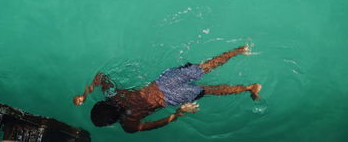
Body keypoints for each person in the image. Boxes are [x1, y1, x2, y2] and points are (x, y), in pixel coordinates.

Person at [73, 45, 262, 133]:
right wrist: (84, 94)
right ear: (103, 103)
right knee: (204, 68)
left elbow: (156, 124)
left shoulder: (128, 124)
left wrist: (177, 114)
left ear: (110, 123)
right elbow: (101, 76)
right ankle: (240, 50)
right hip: (163, 83)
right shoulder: (112, 95)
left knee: (208, 90)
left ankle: (250, 88)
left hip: (170, 99)